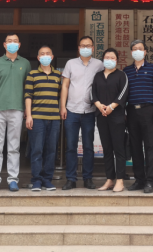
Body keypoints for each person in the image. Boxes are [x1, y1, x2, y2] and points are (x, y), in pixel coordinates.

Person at [0, 33, 30, 192]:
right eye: (9, 41)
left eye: (15, 41)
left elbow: (28, 88)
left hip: (17, 109)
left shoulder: (25, 63)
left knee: (14, 146)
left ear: (19, 44)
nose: (12, 43)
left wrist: (27, 109)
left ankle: (13, 180)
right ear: (4, 45)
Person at [60, 35, 104, 190]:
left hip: (89, 111)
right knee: (71, 146)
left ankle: (88, 178)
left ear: (93, 48)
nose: (86, 48)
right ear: (79, 48)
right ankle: (71, 179)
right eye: (83, 46)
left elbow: (103, 84)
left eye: (88, 45)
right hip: (71, 110)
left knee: (88, 147)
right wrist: (62, 106)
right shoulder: (70, 63)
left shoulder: (99, 64)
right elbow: (65, 86)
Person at [123, 39, 153, 194]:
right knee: (135, 147)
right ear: (131, 52)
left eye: (140, 48)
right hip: (132, 111)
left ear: (145, 52)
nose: (137, 51)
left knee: (150, 146)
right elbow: (124, 92)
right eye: (134, 49)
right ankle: (139, 179)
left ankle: (150, 181)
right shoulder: (127, 71)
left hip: (148, 110)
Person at [25, 45, 62, 192]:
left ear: (52, 57)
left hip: (54, 118)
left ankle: (47, 179)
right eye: (42, 54)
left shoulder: (58, 75)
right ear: (38, 57)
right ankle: (36, 180)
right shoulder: (32, 74)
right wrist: (29, 115)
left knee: (51, 150)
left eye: (48, 54)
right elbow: (28, 95)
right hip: (37, 118)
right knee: (37, 150)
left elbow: (61, 95)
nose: (45, 56)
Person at [92, 48, 129, 193]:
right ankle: (109, 179)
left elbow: (123, 93)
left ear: (116, 60)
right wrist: (100, 106)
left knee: (118, 149)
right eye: (107, 57)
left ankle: (120, 180)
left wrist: (111, 107)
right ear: (103, 59)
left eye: (112, 57)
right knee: (106, 149)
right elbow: (93, 93)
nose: (109, 59)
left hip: (117, 117)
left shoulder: (121, 75)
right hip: (101, 116)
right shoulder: (97, 76)